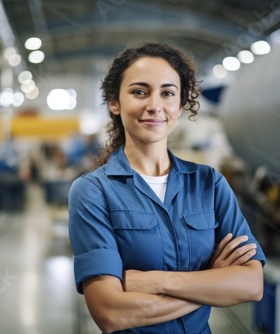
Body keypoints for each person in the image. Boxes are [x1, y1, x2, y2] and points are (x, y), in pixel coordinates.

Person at [68, 42, 266, 333]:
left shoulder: (209, 184)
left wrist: (157, 281)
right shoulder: (93, 192)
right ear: (114, 102)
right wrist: (209, 282)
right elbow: (110, 313)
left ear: (180, 103)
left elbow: (252, 284)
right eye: (139, 92)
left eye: (168, 93)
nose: (155, 105)